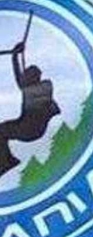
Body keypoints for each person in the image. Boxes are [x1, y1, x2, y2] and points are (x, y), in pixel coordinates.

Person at [0, 37, 61, 178]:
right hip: (28, 126)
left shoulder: (43, 87)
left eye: (28, 75)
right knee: (2, 129)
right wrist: (15, 56)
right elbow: (20, 80)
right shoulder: (34, 87)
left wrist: (15, 56)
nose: (25, 77)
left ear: (35, 77)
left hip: (30, 130)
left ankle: (5, 162)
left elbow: (20, 81)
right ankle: (7, 160)